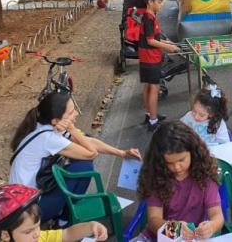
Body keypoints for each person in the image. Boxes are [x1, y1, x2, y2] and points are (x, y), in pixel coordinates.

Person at [9, 91, 141, 225]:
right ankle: (63, 220)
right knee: (84, 166)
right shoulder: (49, 138)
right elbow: (91, 153)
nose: (76, 113)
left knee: (81, 161)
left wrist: (122, 153)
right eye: (71, 112)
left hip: (23, 203)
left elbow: (88, 142)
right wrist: (72, 129)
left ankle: (60, 213)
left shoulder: (43, 125)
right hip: (28, 213)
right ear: (56, 120)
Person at [132, 121, 224, 242]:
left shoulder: (205, 176)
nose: (177, 167)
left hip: (190, 237)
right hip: (156, 236)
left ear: (193, 152)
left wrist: (211, 227)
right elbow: (153, 220)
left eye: (181, 160)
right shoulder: (157, 177)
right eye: (169, 163)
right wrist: (174, 229)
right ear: (160, 161)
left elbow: (217, 216)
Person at [0, 184, 107, 242]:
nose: (37, 234)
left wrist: (90, 226)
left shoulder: (36, 238)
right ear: (5, 235)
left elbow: (66, 234)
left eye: (38, 226)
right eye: (28, 231)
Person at [138, 0, 179, 131]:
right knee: (154, 88)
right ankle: (153, 121)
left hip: (147, 57)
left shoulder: (150, 15)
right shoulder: (148, 18)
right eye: (159, 2)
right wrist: (168, 48)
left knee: (148, 86)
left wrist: (168, 43)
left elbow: (155, 36)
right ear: (150, 2)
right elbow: (150, 41)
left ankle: (150, 114)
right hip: (150, 58)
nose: (161, 5)